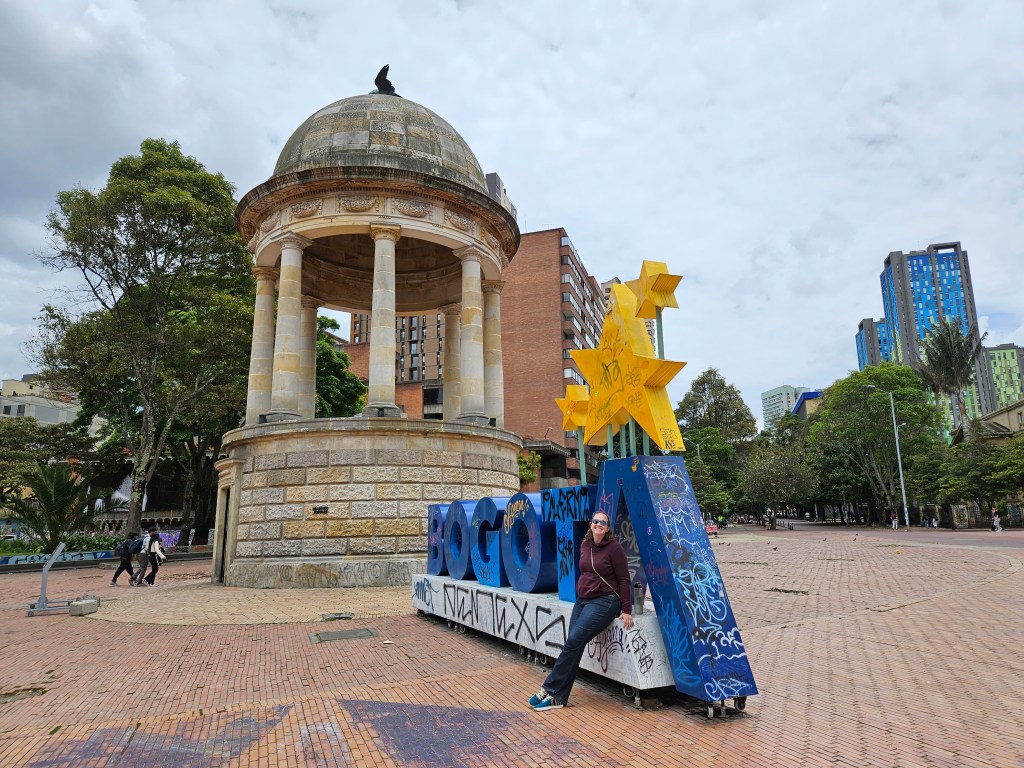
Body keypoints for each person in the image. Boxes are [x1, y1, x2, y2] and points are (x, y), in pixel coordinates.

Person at [529, 512, 632, 712]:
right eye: (595, 521)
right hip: (583, 600)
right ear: (591, 524)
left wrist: (626, 610)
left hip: (606, 601)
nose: (598, 524)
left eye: (603, 522)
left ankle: (549, 688)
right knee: (573, 644)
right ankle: (559, 697)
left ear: (608, 528)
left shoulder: (615, 548)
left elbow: (624, 580)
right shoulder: (585, 545)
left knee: (574, 640)